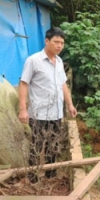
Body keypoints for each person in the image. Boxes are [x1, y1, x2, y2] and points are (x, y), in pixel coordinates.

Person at [18, 27, 77, 182]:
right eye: (56, 42)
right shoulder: (33, 60)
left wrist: (70, 105)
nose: (59, 46)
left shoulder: (59, 61)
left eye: (62, 43)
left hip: (56, 113)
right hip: (39, 114)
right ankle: (32, 178)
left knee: (53, 146)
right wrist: (23, 109)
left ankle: (51, 176)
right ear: (46, 41)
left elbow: (63, 85)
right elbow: (23, 84)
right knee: (36, 146)